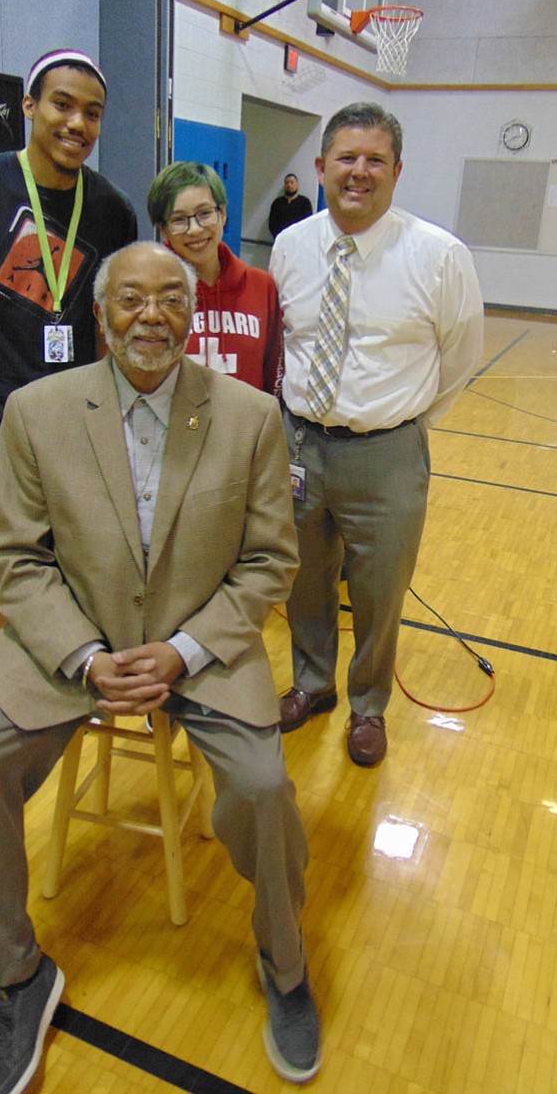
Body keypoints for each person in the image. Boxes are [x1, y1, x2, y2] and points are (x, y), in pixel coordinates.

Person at [0, 242, 321, 1093]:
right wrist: (84, 654)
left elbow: (267, 563)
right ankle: (14, 974)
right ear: (100, 314)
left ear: (192, 312)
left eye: (171, 300)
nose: (152, 316)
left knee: (263, 787)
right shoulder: (37, 412)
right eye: (131, 300)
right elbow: (18, 558)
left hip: (200, 646)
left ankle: (284, 962)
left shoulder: (252, 414)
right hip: (74, 642)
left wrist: (183, 649)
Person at [270, 102, 484, 766]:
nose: (358, 172)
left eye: (374, 160)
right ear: (320, 166)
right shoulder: (290, 247)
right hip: (298, 442)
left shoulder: (439, 255)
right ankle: (313, 682)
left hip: (388, 451)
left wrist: (403, 423)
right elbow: (285, 345)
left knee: (380, 587)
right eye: (346, 158)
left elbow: (462, 356)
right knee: (304, 577)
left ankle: (368, 703)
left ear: (396, 169)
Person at [0, 48, 137, 635]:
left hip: (80, 427)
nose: (77, 124)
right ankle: (15, 690)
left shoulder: (112, 209)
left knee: (80, 571)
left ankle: (74, 680)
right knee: (3, 575)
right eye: (62, 105)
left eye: (92, 113)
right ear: (29, 106)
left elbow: (105, 327)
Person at [147, 161, 283, 396]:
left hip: (245, 430)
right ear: (163, 229)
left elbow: (271, 377)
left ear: (223, 214)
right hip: (175, 430)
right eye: (179, 220)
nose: (195, 229)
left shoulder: (262, 287)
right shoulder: (149, 294)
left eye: (205, 214)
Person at [268, 174, 313, 240]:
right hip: (281, 240)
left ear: (297, 185)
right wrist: (279, 237)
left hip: (298, 241)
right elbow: (272, 223)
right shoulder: (277, 203)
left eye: (292, 182)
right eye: (287, 183)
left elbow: (307, 223)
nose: (289, 185)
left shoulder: (305, 202)